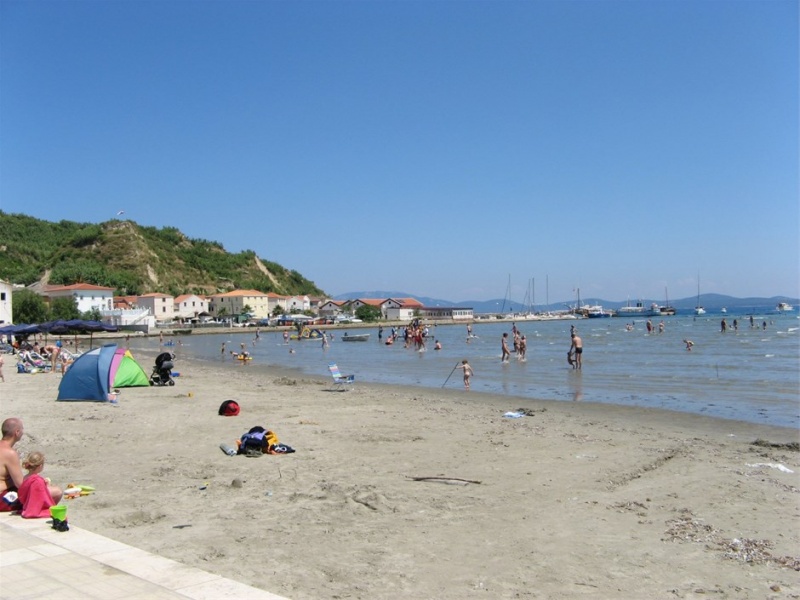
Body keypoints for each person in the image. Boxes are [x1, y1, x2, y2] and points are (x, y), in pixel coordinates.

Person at [18, 451, 62, 518]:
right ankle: (50, 508)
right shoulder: (37, 480)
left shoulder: (25, 477)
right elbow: (41, 493)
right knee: (58, 491)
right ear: (40, 466)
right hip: (33, 501)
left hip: (27, 500)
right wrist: (47, 485)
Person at [0, 418, 24, 511]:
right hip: (2, 499)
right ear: (17, 432)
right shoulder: (10, 453)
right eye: (22, 429)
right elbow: (20, 484)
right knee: (48, 494)